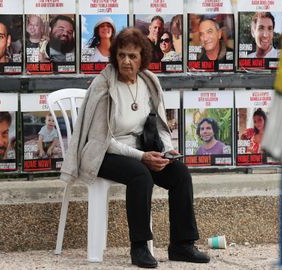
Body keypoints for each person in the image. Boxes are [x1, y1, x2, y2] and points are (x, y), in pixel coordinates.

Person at [60, 27, 210, 268]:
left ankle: (182, 245)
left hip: (141, 150)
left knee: (180, 173)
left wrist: (168, 149)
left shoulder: (148, 81)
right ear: (114, 57)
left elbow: (159, 122)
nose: (126, 61)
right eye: (121, 55)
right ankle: (139, 247)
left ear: (143, 58)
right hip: (104, 154)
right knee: (141, 175)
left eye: (132, 56)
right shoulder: (104, 86)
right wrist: (142, 157)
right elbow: (103, 139)